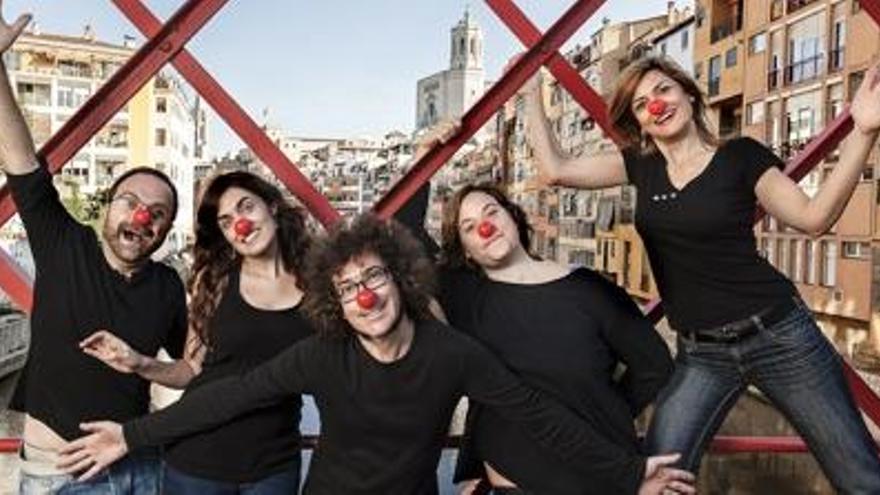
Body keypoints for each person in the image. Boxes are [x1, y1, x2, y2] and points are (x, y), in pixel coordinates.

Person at [58, 215, 695, 495]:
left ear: (400, 280)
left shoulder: (452, 353)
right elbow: (229, 395)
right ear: (336, 304)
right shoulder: (322, 355)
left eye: (374, 280)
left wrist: (626, 472)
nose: (364, 297)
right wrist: (132, 437)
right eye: (348, 290)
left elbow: (536, 414)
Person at [523, 55, 880, 491]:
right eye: (640, 104)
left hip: (779, 336)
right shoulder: (640, 164)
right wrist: (530, 90)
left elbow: (812, 218)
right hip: (702, 355)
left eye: (663, 90)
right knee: (657, 478)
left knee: (860, 478)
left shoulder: (741, 156)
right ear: (638, 122)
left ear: (688, 94)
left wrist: (863, 131)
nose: (655, 105)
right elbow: (555, 169)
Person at [0, 5, 187, 493]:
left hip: (138, 468)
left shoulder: (168, 286)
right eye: (130, 201)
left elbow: (192, 370)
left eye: (157, 212)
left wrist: (144, 365)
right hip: (56, 475)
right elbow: (20, 159)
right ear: (108, 207)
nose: (141, 216)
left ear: (165, 230)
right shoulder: (64, 243)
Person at [80, 171, 312, 493]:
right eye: (227, 222)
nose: (240, 226)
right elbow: (192, 369)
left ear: (272, 206)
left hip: (274, 466)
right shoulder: (215, 282)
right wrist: (138, 363)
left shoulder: (319, 286)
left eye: (247, 208)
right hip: (197, 463)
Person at [436, 183, 675, 495]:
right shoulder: (461, 295)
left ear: (513, 216)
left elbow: (654, 364)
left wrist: (603, 412)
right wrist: (425, 150)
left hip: (596, 478)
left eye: (492, 212)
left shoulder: (588, 289)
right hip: (517, 481)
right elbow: (394, 239)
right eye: (469, 227)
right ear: (465, 248)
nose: (485, 227)